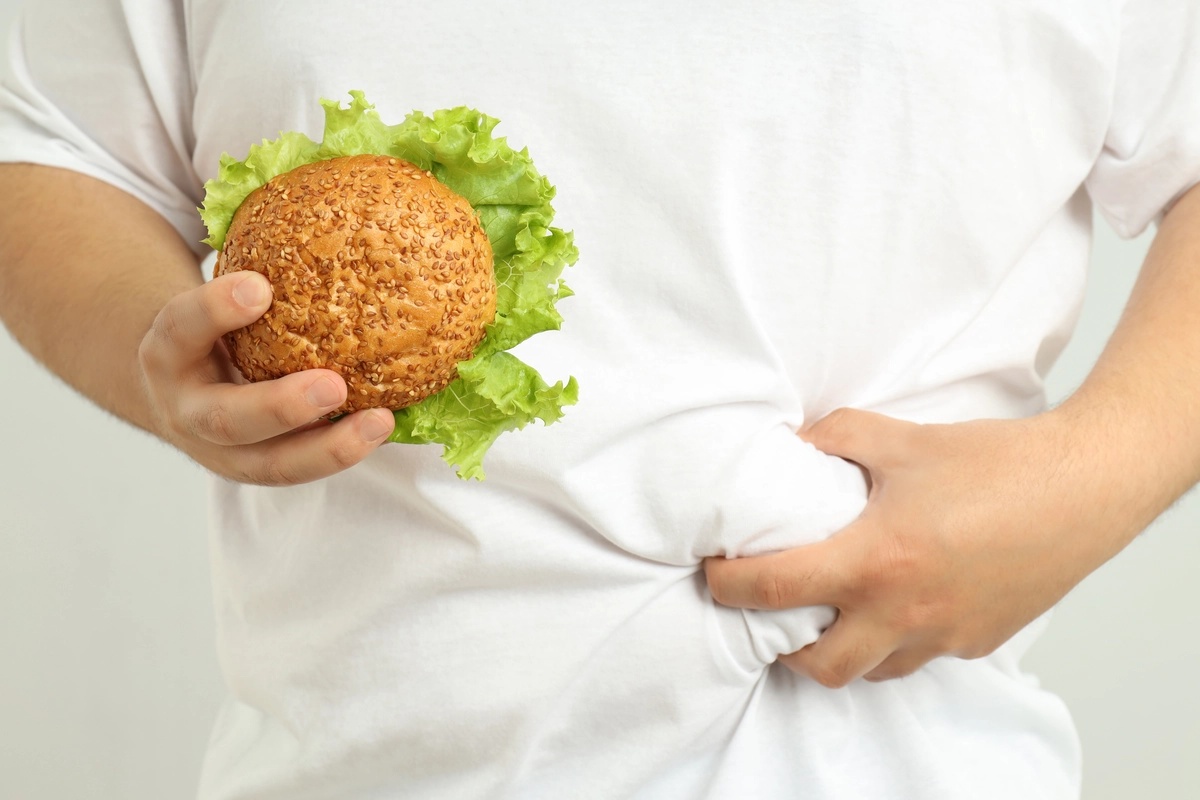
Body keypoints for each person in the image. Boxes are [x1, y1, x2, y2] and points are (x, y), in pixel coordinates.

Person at [1, 1, 1197, 798]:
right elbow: (53, 145)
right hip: (360, 762)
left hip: (907, 753)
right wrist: (164, 367)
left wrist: (1094, 479)